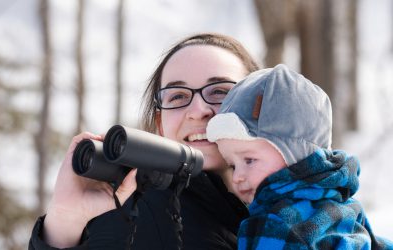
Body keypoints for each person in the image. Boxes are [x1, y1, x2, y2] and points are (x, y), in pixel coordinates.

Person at [28, 33, 259, 249]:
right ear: (160, 124)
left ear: (260, 107)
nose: (198, 110)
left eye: (220, 91)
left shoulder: (285, 206)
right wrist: (65, 221)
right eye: (178, 95)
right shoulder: (138, 213)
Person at [206, 64, 393, 249]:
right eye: (232, 165)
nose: (237, 176)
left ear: (296, 155)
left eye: (249, 160)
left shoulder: (276, 224)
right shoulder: (344, 204)